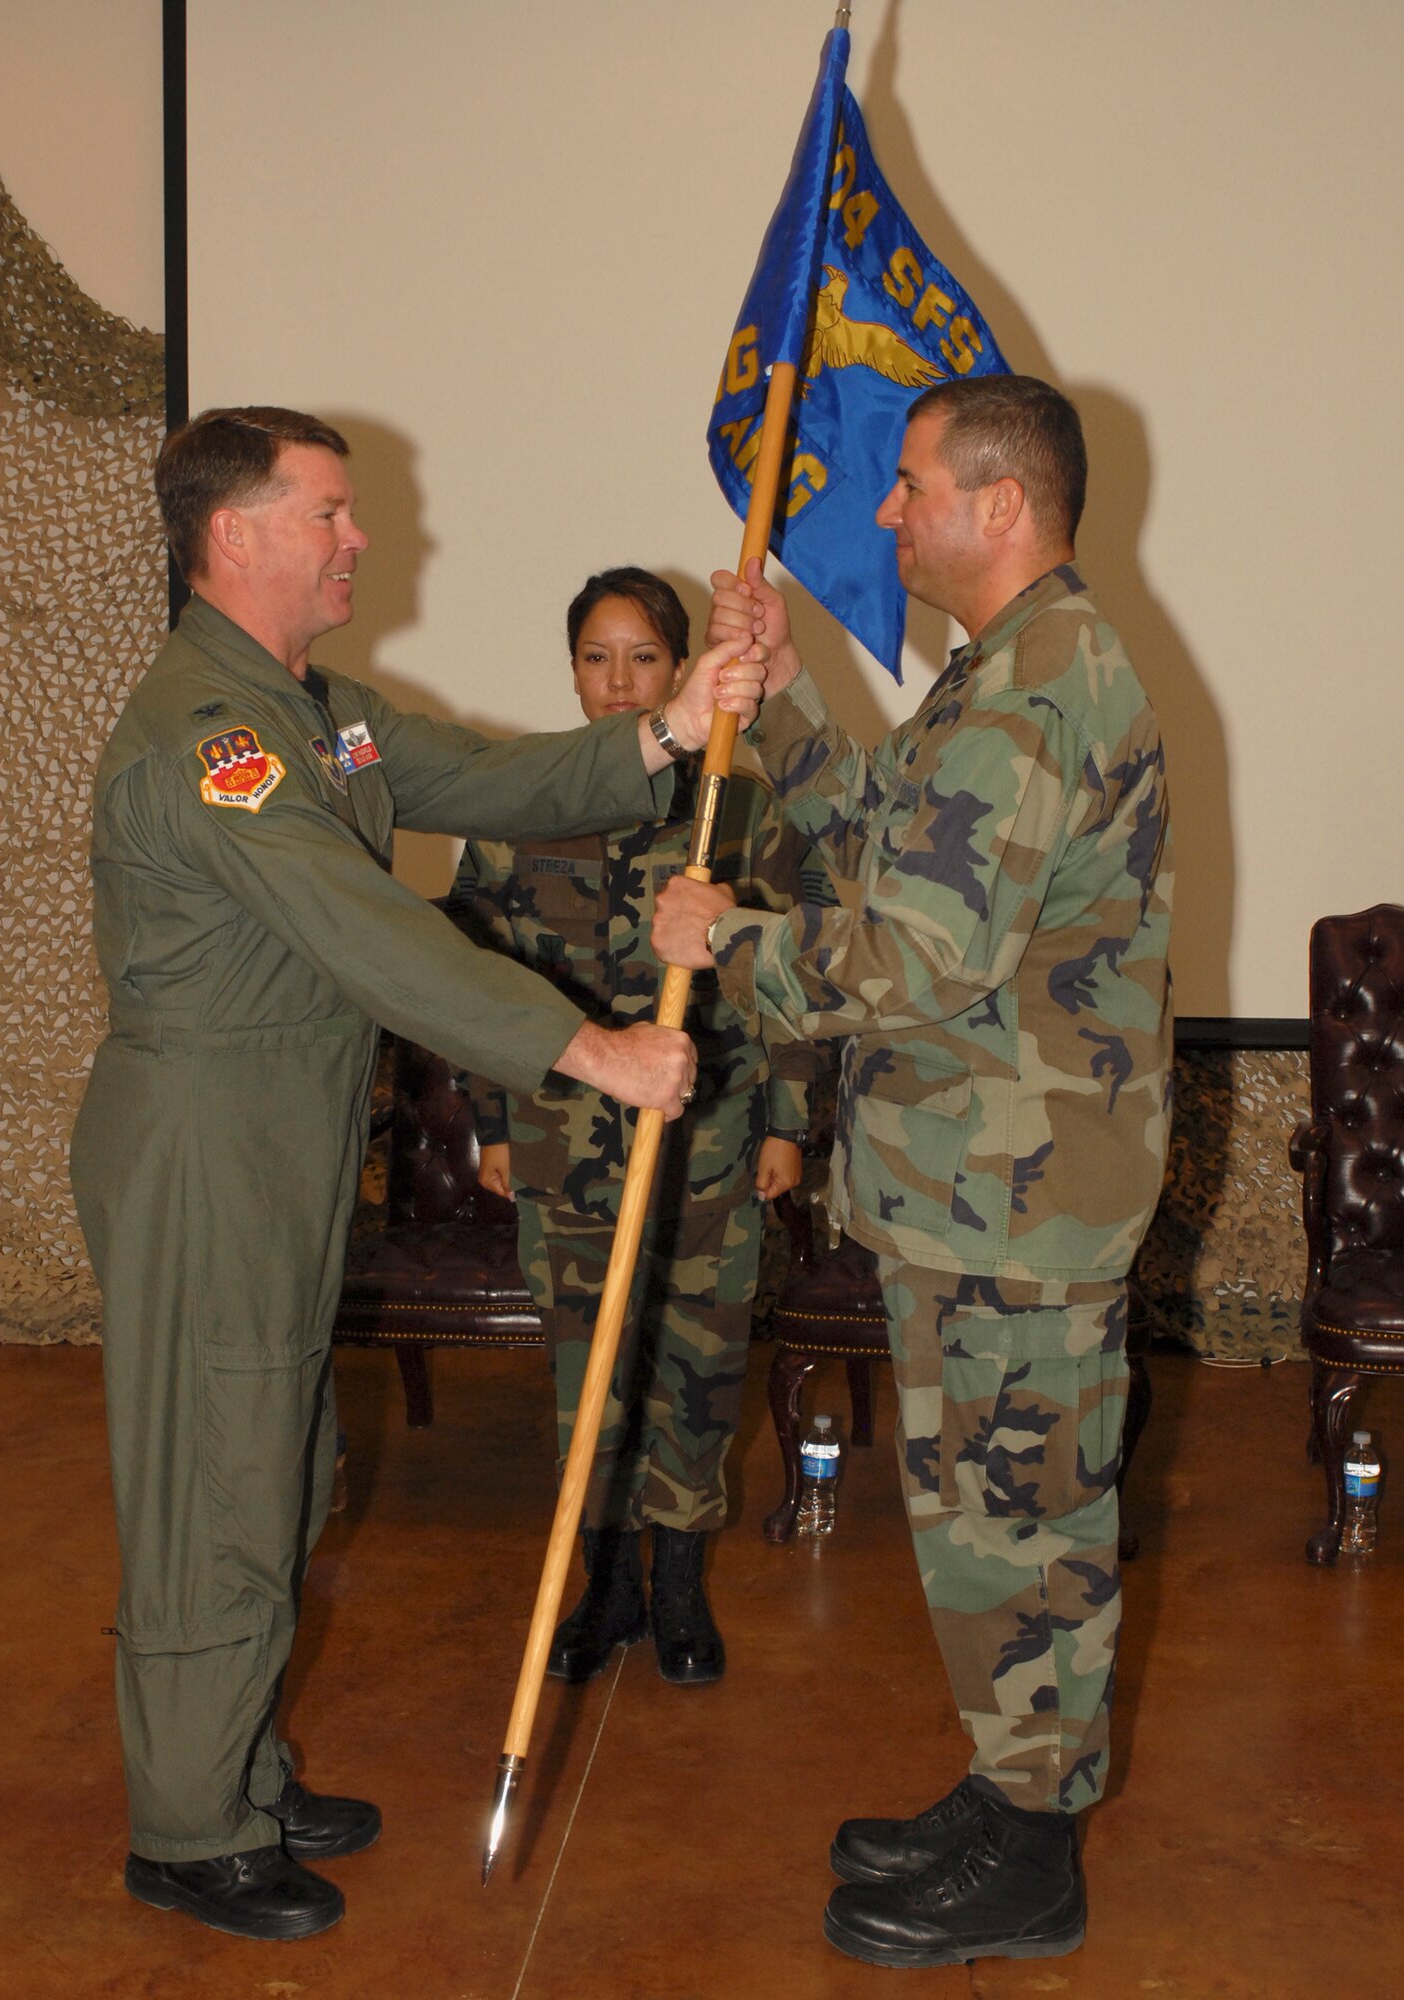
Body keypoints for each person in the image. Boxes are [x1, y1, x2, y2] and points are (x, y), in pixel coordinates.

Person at [69, 408, 765, 1944]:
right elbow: (364, 927)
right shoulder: (218, 738)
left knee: (280, 1459)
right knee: (217, 1484)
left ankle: (235, 1763)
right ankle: (193, 1827)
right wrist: (586, 1051)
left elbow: (484, 774)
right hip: (206, 1146)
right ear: (234, 533)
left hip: (279, 1136)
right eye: (327, 512)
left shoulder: (315, 713)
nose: (357, 538)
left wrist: (663, 728)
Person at [653, 376, 1173, 1970]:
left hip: (1016, 1204)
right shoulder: (1005, 675)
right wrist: (790, 702)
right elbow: (896, 831)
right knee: (983, 1527)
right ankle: (1008, 1783)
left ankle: (1032, 1851)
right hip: (982, 1193)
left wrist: (726, 947)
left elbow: (922, 951)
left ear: (998, 505)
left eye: (911, 486)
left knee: (1021, 1526)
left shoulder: (1038, 688)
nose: (886, 512)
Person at [450, 567, 829, 1687]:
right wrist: (490, 1122)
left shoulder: (741, 806)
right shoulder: (515, 802)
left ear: (683, 670)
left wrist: (786, 1124)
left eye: (644, 659)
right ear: (571, 671)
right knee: (589, 1366)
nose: (618, 683)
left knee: (697, 1362)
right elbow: (469, 976)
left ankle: (676, 1584)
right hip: (563, 1141)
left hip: (707, 1137)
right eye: (594, 658)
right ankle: (602, 1583)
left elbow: (790, 986)